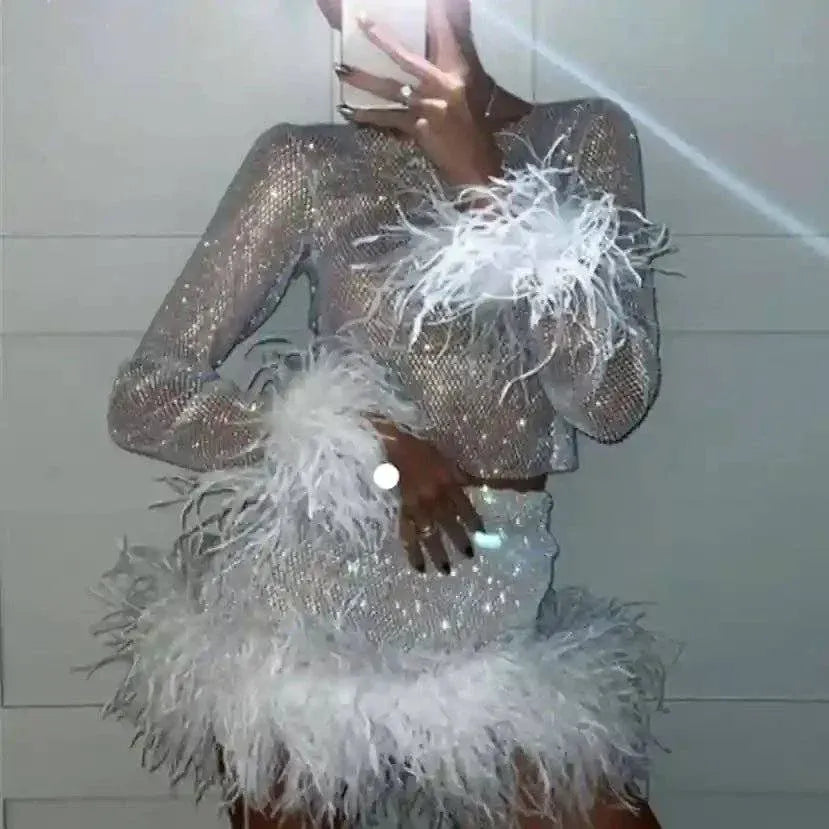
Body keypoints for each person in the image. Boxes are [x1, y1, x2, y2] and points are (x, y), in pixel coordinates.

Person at [90, 0, 673, 826]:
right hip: (315, 603)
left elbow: (610, 404)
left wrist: (492, 189)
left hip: (489, 601)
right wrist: (365, 444)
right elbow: (146, 398)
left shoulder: (581, 139)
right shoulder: (306, 161)